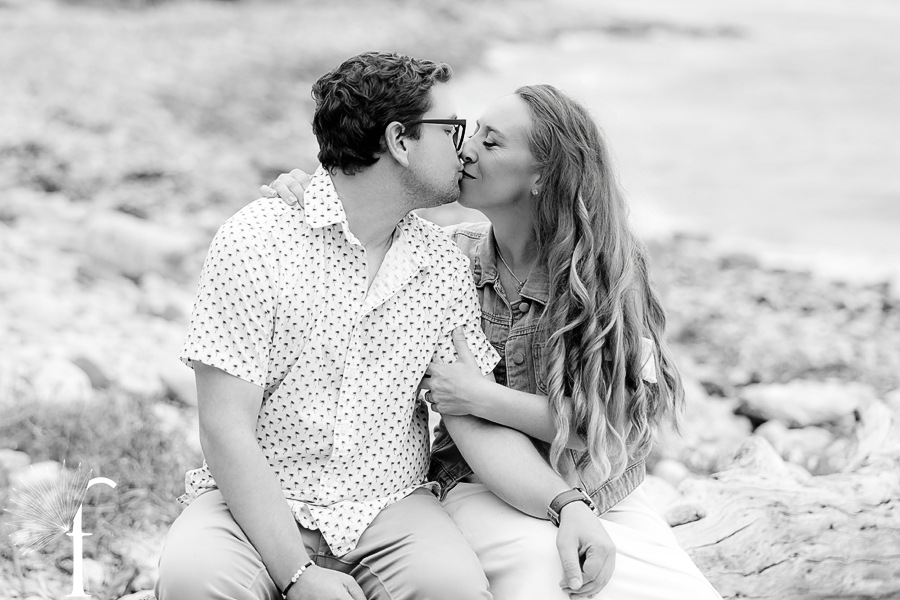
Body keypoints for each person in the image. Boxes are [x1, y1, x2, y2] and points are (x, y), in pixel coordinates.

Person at [156, 52, 617, 600]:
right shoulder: (256, 242)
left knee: (456, 592)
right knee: (193, 583)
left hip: (390, 508)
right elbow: (224, 429)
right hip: (253, 500)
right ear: (400, 141)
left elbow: (471, 419)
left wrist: (568, 505)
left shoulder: (442, 266)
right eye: (452, 130)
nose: (464, 148)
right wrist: (299, 577)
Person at [264, 84, 723, 599]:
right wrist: (311, 193)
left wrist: (483, 396)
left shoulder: (606, 270)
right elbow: (360, 225)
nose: (466, 149)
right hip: (476, 483)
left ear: (542, 176)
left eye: (493, 142)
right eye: (473, 132)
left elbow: (606, 425)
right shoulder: (450, 260)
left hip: (598, 486)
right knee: (550, 573)